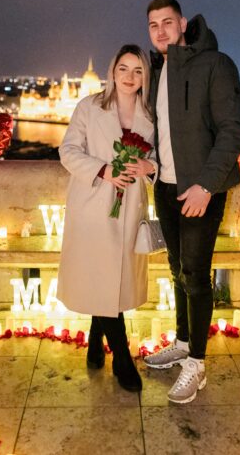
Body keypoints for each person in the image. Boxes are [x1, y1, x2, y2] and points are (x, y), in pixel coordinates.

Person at [144, 0, 240, 404]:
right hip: (166, 188)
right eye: (153, 25)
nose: (160, 30)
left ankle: (198, 364)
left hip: (200, 191)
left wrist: (206, 185)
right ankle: (184, 342)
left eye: (167, 22)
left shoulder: (215, 64)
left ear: (183, 23)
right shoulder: (158, 70)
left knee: (196, 275)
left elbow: (234, 129)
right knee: (177, 271)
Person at [57, 44, 156, 392]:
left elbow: (161, 157)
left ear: (145, 75)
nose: (130, 77)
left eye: (138, 70)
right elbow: (67, 150)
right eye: (123, 69)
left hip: (130, 206)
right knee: (101, 272)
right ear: (112, 71)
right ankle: (123, 358)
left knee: (115, 276)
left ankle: (96, 334)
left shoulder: (152, 112)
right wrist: (103, 170)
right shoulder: (89, 106)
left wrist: (149, 166)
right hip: (93, 203)